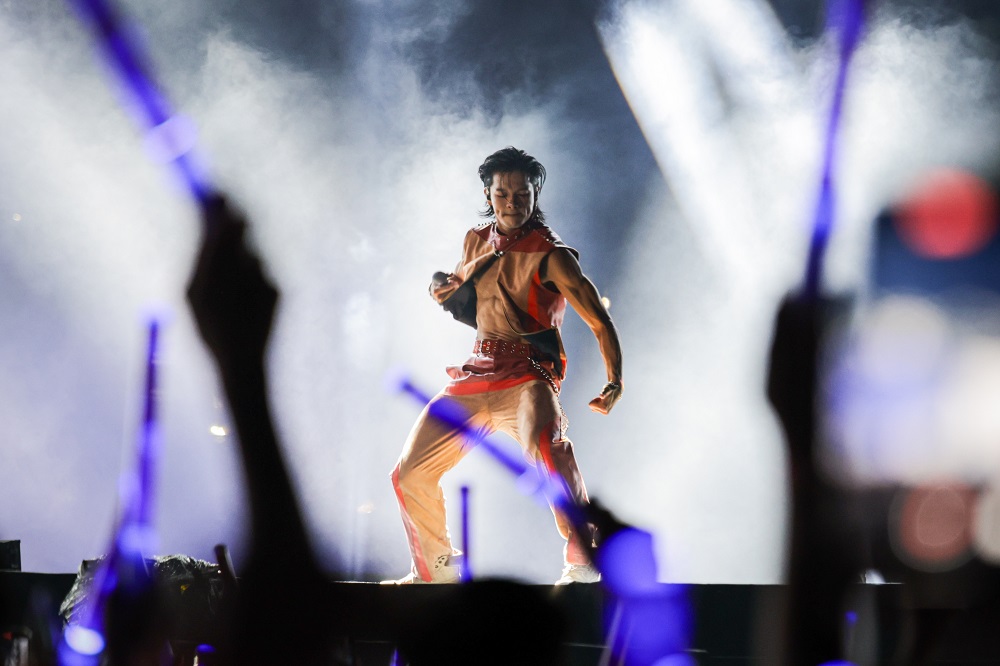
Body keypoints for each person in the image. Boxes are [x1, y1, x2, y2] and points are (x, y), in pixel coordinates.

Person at [388, 147, 624, 585]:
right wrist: (440, 287)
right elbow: (460, 290)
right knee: (410, 472)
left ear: (535, 194)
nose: (512, 203)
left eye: (522, 194)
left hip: (527, 377)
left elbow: (599, 320)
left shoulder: (552, 255)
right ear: (488, 194)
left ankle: (585, 556)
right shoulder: (475, 239)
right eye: (503, 194)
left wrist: (614, 380)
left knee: (548, 449)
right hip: (476, 372)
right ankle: (436, 566)